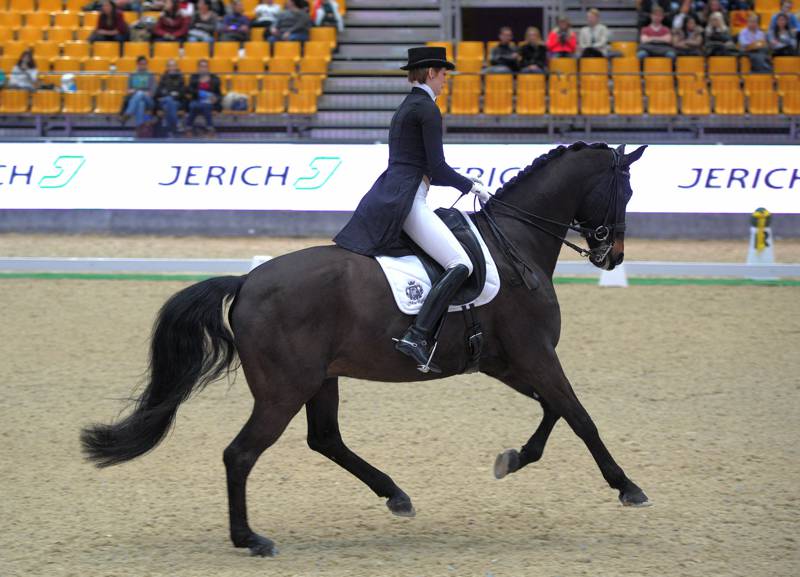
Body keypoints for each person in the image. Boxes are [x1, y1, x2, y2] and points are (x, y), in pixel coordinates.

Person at [333, 46, 490, 374]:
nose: (446, 80)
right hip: (408, 199)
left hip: (395, 191)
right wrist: (471, 186)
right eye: (444, 74)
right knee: (460, 263)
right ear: (431, 72)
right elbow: (438, 167)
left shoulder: (408, 106)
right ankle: (417, 336)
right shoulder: (428, 110)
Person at [186, 58, 222, 135]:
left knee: (202, 105)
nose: (203, 68)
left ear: (208, 68)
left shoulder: (214, 78)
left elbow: (219, 94)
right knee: (194, 105)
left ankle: (188, 127)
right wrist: (201, 94)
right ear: (198, 68)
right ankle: (210, 127)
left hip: (210, 102)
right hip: (196, 99)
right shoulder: (193, 78)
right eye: (201, 66)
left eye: (205, 66)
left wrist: (216, 98)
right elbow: (189, 90)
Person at [122, 56, 155, 131]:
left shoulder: (150, 75)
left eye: (144, 64)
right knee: (140, 103)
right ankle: (139, 128)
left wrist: (146, 93)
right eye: (141, 64)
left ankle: (128, 113)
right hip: (136, 99)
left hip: (149, 101)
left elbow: (153, 92)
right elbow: (128, 90)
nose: (143, 65)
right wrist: (131, 91)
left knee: (140, 94)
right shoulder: (132, 74)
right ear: (137, 64)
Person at [155, 58, 185, 136]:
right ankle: (176, 124)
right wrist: (172, 94)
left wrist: (168, 94)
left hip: (177, 102)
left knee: (169, 103)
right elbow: (158, 92)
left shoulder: (180, 77)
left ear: (176, 67)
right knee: (168, 100)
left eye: (173, 66)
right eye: (170, 66)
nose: (172, 68)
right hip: (164, 101)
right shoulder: (163, 77)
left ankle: (168, 128)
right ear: (167, 68)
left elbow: (182, 93)